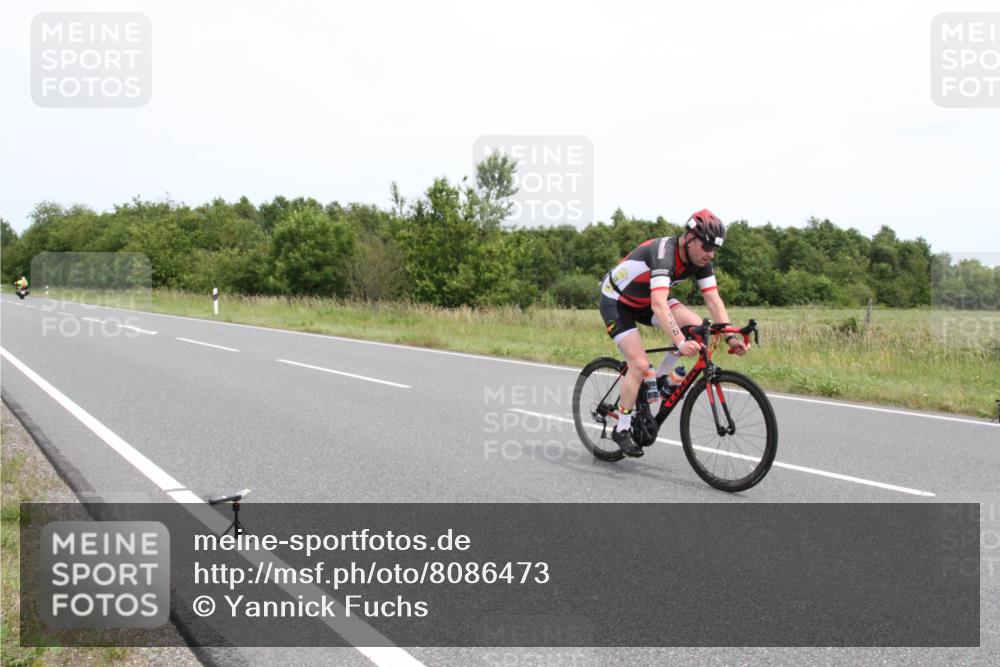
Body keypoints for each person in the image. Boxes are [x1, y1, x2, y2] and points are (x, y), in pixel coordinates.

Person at [598, 209, 748, 457]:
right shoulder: (664, 254)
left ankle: (660, 380)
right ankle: (622, 427)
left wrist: (731, 337)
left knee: (700, 329)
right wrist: (679, 341)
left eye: (715, 249)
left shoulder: (701, 261)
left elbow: (713, 299)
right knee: (638, 363)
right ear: (689, 237)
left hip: (647, 300)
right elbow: (659, 303)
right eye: (706, 246)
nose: (710, 254)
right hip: (618, 301)